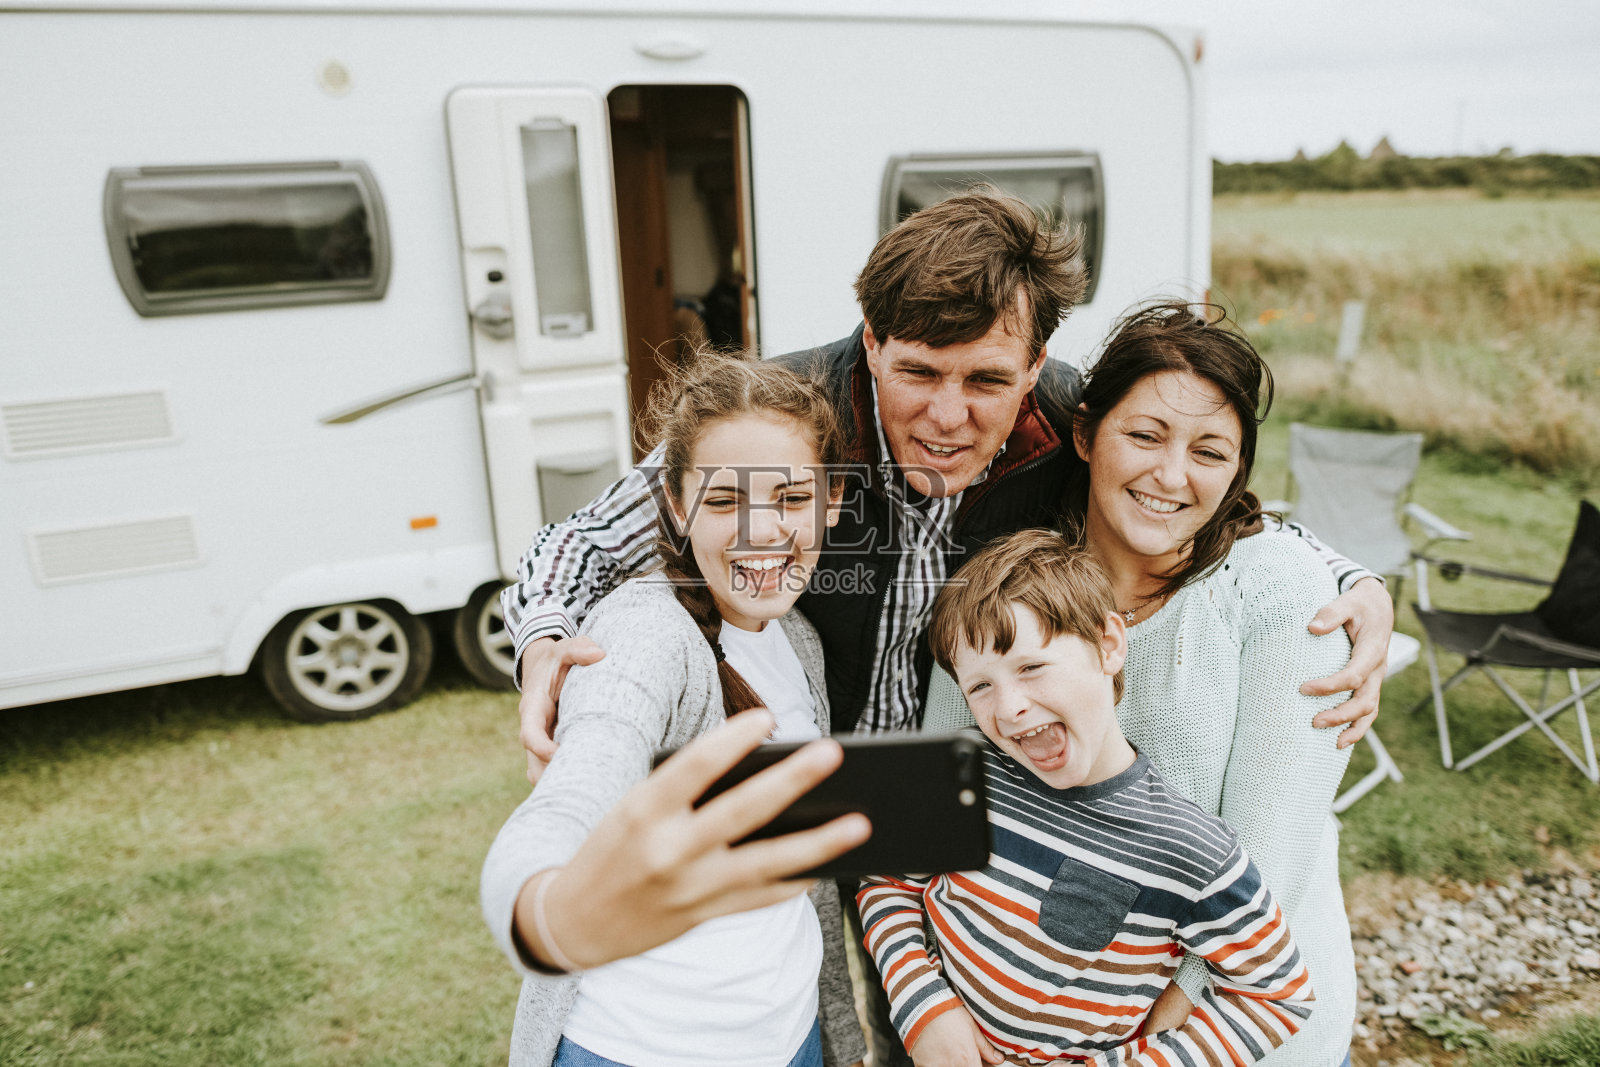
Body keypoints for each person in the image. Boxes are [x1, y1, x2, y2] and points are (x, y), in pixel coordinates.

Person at [500, 191, 1392, 1064]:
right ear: (873, 338)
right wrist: (543, 638)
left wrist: (1352, 579)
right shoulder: (788, 416)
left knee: (937, 1013)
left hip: (975, 789)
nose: (950, 414)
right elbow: (578, 540)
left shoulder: (1073, 418)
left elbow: (1194, 492)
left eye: (988, 381)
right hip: (819, 764)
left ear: (1038, 364)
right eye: (918, 372)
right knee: (789, 979)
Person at [925, 302, 1360, 1067]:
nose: (1171, 475)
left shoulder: (1280, 589)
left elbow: (1275, 847)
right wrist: (947, 1002)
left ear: (1237, 471)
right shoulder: (1018, 587)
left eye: (1209, 450)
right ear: (1088, 436)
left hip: (1225, 1024)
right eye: (1146, 434)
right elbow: (943, 802)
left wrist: (1166, 1014)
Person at [480, 352, 868, 1067]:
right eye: (723, 501)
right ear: (676, 502)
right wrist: (545, 914)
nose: (760, 530)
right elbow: (578, 784)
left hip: (789, 1042)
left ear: (833, 497)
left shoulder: (800, 642)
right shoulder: (644, 631)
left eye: (789, 497)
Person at [860, 530, 1317, 1067]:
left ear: (1108, 646)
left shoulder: (1188, 847)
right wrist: (926, 1009)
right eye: (980, 686)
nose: (1008, 709)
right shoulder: (962, 781)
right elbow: (887, 879)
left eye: (1030, 667)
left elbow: (1278, 995)